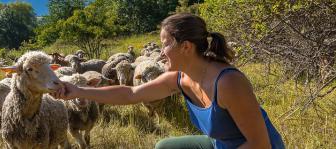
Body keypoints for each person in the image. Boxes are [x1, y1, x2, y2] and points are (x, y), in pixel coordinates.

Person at [51, 13, 285, 149]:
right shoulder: (179, 78)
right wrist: (77, 91)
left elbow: (259, 145)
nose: (161, 52)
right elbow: (131, 94)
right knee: (164, 147)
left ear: (186, 47)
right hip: (220, 144)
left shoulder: (228, 83)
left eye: (165, 44)